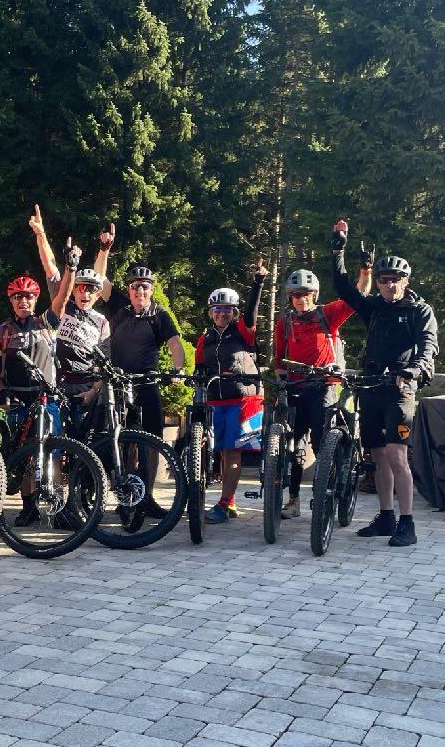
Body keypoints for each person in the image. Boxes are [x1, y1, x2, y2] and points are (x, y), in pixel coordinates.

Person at [332, 220, 439, 547]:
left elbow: (428, 345)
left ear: (406, 281)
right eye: (383, 280)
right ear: (377, 283)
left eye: (395, 279)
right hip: (372, 386)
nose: (390, 285)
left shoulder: (419, 310)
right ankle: (386, 516)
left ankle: (407, 522)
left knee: (396, 455)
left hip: (400, 389)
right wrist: (338, 248)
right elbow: (343, 288)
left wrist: (414, 370)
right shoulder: (374, 308)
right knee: (378, 456)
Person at [94, 227, 185, 516]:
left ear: (151, 289)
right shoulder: (120, 307)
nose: (139, 291)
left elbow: (175, 343)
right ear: (129, 289)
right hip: (119, 384)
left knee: (153, 442)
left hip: (147, 383)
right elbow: (99, 279)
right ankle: (126, 496)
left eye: (145, 286)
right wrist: (104, 250)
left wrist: (177, 369)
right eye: (135, 286)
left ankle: (147, 497)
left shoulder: (159, 314)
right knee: (123, 441)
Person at [272, 261, 356, 519]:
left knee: (322, 442)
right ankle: (293, 500)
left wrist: (365, 273)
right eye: (296, 295)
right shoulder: (285, 322)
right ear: (290, 297)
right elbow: (279, 359)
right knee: (294, 446)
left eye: (306, 294)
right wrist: (281, 385)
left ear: (314, 295)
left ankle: (326, 494)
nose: (301, 299)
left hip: (324, 385)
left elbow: (355, 298)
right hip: (296, 387)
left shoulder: (327, 314)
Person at [194, 260, 268, 522]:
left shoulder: (243, 332)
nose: (222, 313)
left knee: (234, 452)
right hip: (217, 401)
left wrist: (258, 283)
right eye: (217, 309)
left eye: (227, 309)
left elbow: (252, 313)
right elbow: (199, 369)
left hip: (244, 399)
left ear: (234, 312)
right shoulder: (205, 338)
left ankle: (224, 504)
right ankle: (230, 501)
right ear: (211, 312)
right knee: (224, 452)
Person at [0, 274, 64, 525]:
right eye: (18, 297)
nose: (23, 301)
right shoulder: (1, 331)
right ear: (11, 300)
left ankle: (58, 505)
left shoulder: (46, 323)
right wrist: (2, 390)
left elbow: (62, 298)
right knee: (25, 455)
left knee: (53, 452)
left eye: (29, 297)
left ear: (36, 299)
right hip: (19, 400)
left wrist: (70, 268)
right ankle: (28, 506)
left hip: (46, 397)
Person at [30, 206, 112, 422]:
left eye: (91, 290)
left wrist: (93, 391)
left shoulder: (102, 322)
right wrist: (41, 234)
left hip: (87, 386)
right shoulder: (62, 303)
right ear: (73, 289)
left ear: (98, 294)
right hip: (57, 382)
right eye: (80, 288)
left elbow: (105, 362)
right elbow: (49, 266)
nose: (85, 293)